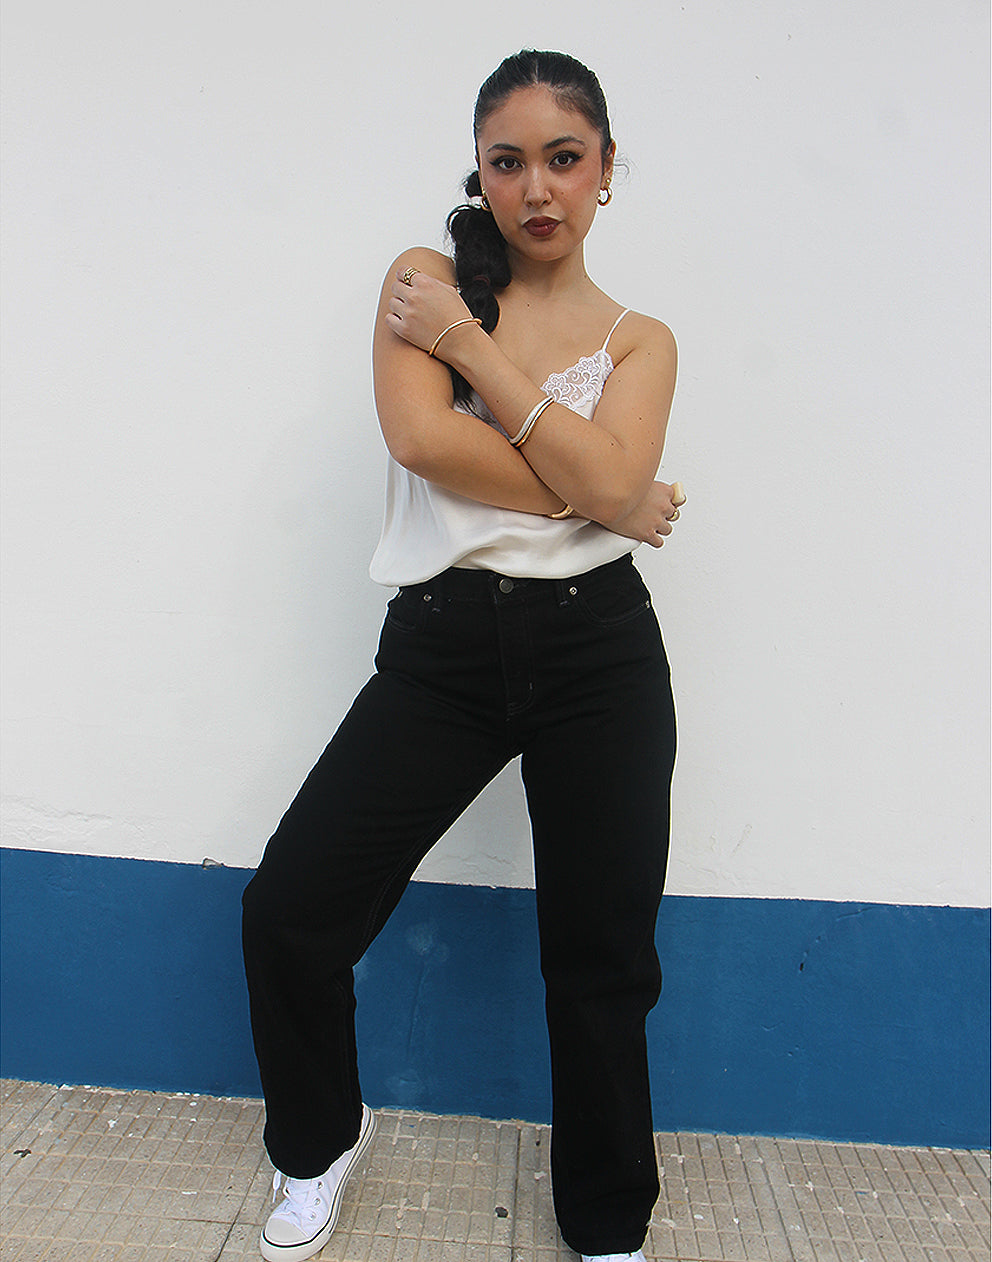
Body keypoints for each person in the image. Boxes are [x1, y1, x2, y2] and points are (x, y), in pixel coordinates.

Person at [242, 49, 684, 1262]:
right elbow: (422, 442)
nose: (534, 187)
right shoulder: (424, 279)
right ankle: (319, 1139)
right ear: (478, 174)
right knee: (290, 906)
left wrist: (481, 363)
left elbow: (562, 460)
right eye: (506, 161)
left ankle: (603, 1222)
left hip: (600, 652)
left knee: (601, 958)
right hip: (442, 645)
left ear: (604, 171)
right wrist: (596, 488)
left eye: (562, 157)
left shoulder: (640, 338)